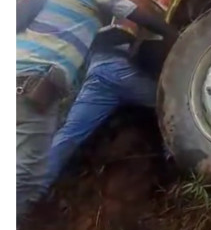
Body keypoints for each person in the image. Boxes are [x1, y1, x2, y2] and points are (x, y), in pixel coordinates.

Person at [16, 0, 173, 226]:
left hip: (61, 74)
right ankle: (176, 163)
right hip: (36, 85)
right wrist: (174, 34)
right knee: (25, 178)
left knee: (62, 141)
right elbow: (139, 15)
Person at [41, 44, 159, 190]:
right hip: (126, 69)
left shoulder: (92, 30)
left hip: (97, 71)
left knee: (70, 134)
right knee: (179, 100)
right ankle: (174, 157)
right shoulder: (134, 24)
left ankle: (31, 187)